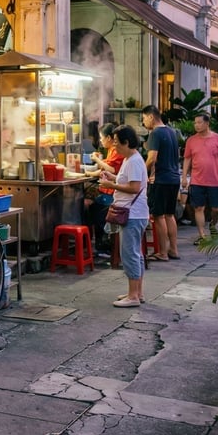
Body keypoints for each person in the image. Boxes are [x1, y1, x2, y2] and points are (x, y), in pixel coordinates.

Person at [99, 125, 148, 307]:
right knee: (136, 254)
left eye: (118, 143)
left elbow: (134, 188)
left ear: (127, 143)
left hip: (133, 214)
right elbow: (127, 182)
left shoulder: (134, 161)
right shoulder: (130, 159)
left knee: (130, 254)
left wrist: (111, 186)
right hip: (135, 213)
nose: (115, 147)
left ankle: (133, 296)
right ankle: (137, 292)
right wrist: (112, 179)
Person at [181, 113, 218, 243]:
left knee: (217, 209)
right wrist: (185, 177)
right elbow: (187, 159)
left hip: (215, 179)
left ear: (207, 123)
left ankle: (213, 225)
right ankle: (202, 235)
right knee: (198, 208)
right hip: (197, 179)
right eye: (195, 123)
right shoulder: (191, 140)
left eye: (199, 122)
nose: (196, 125)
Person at [141, 105, 182, 260]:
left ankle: (163, 252)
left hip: (161, 180)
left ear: (151, 117)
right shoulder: (171, 132)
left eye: (144, 118)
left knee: (158, 216)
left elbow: (152, 158)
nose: (144, 122)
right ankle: (174, 250)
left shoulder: (155, 134)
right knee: (170, 215)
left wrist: (142, 171)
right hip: (173, 179)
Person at [82, 123, 123, 254]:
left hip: (113, 193)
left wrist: (96, 160)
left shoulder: (116, 151)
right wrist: (88, 172)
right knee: (90, 204)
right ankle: (98, 242)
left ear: (109, 138)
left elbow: (111, 169)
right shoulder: (112, 151)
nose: (100, 140)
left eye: (101, 137)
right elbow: (102, 169)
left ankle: (102, 244)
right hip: (110, 190)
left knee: (92, 208)